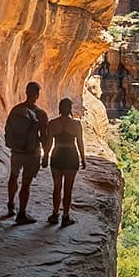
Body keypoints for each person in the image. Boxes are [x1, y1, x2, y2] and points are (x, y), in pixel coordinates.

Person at [3, 81, 50, 225]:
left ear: (26, 92)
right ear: (37, 95)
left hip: (16, 151)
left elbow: (8, 128)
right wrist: (46, 155)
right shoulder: (41, 114)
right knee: (26, 183)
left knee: (13, 176)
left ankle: (11, 206)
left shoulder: (16, 110)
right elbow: (44, 137)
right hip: (32, 152)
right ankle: (21, 214)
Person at [47, 97, 86, 227]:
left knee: (57, 188)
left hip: (57, 155)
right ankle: (65, 216)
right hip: (71, 156)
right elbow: (80, 142)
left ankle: (55, 214)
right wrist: (83, 158)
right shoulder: (76, 124)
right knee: (68, 189)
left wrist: (46, 156)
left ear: (59, 108)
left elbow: (49, 143)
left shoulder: (52, 123)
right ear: (70, 109)